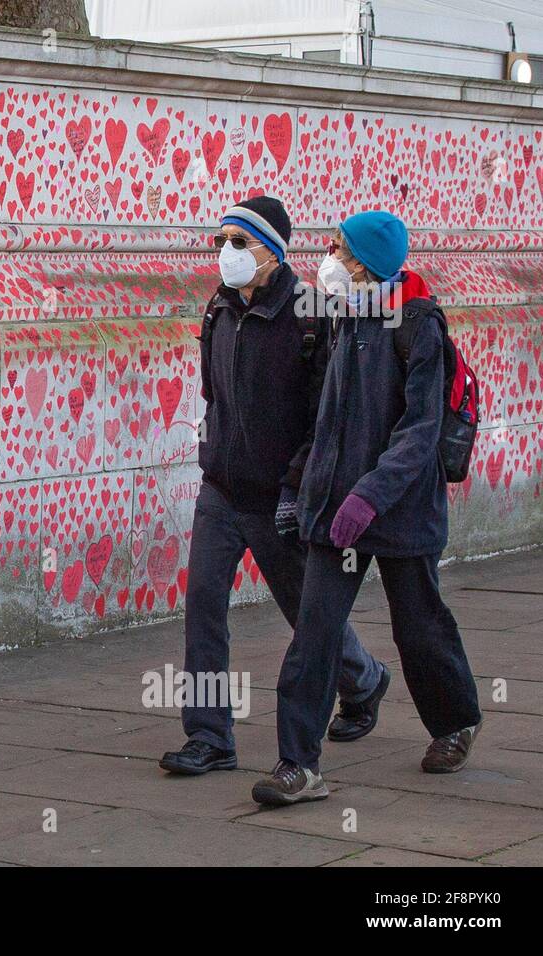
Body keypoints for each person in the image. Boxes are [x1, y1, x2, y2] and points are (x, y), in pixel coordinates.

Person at [253, 210, 483, 806]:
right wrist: (298, 489)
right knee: (315, 634)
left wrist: (369, 495)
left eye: (340, 250)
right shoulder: (340, 321)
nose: (330, 259)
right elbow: (325, 420)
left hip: (402, 511)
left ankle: (455, 723)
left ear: (369, 263)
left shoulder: (419, 325)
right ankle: (298, 766)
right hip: (337, 512)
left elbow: (419, 431)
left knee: (420, 627)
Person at [159, 197, 388, 776]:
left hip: (279, 494)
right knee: (204, 604)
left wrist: (295, 486)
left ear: (272, 251)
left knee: (303, 611)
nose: (226, 254)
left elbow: (323, 416)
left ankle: (362, 680)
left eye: (239, 243)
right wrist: (213, 452)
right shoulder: (219, 309)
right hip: (221, 488)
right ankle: (210, 736)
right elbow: (215, 394)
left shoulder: (312, 315)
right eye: (221, 243)